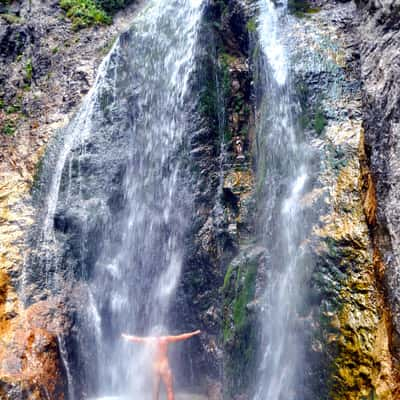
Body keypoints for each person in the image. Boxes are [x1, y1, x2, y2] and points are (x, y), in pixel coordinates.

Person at [121, 329, 201, 400]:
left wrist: (126, 336)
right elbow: (181, 336)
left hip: (155, 367)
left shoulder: (150, 340)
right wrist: (194, 333)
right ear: (161, 333)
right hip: (164, 366)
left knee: (155, 390)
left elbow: (137, 339)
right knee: (169, 389)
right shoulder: (166, 339)